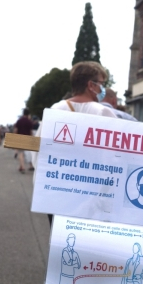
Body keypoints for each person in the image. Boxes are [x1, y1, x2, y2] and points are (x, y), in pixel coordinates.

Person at [32, 61, 117, 226]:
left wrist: (42, 185)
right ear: (91, 85)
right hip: (90, 196)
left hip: (57, 193)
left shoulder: (55, 110)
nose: (102, 89)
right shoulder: (103, 113)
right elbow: (114, 157)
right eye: (101, 83)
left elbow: (38, 151)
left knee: (59, 243)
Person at [13, 109, 34, 174]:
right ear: (28, 114)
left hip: (20, 138)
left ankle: (22, 167)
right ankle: (30, 165)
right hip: (27, 138)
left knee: (21, 153)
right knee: (28, 153)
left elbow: (16, 130)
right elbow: (31, 131)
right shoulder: (29, 121)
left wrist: (14, 137)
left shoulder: (19, 121)